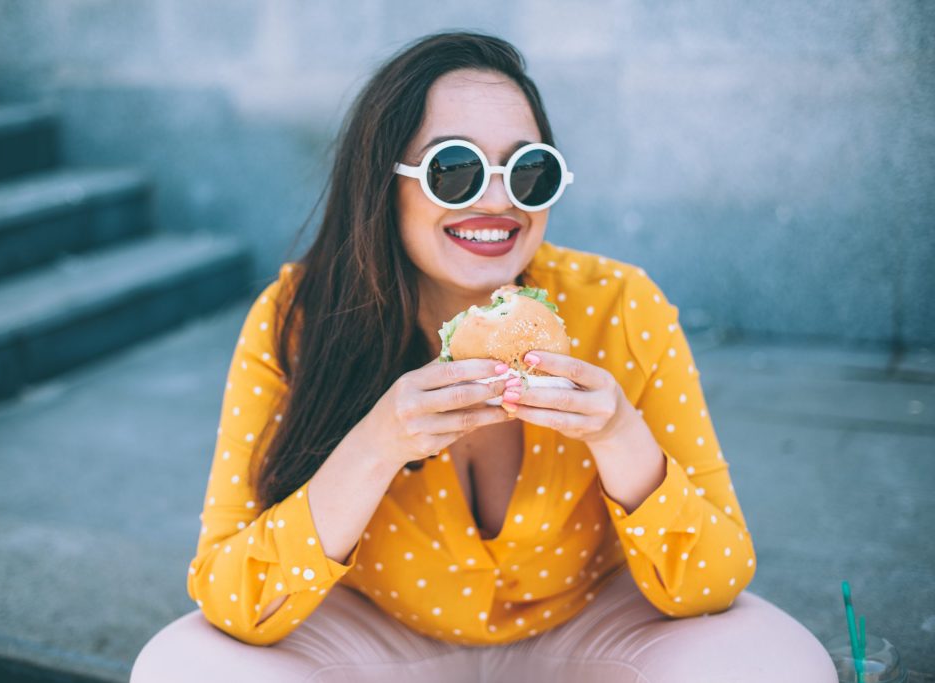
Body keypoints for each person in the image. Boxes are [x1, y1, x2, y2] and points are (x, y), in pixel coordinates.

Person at [131, 30, 837, 682]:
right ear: (384, 182)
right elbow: (227, 592)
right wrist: (376, 444)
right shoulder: (295, 318)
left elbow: (717, 579)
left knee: (777, 663)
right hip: (376, 633)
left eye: (529, 170)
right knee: (181, 666)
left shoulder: (622, 307)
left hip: (587, 625)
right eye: (456, 169)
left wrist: (620, 436)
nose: (498, 201)